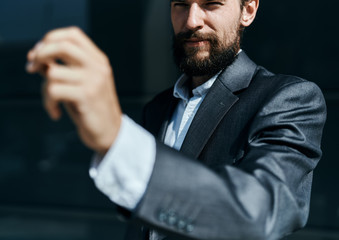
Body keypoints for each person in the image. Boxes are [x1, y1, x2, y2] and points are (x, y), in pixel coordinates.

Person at [26, 0, 326, 239]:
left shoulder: (290, 98)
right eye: (180, 4)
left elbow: (261, 215)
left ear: (247, 10)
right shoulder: (157, 107)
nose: (192, 20)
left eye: (211, 4)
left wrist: (117, 137)